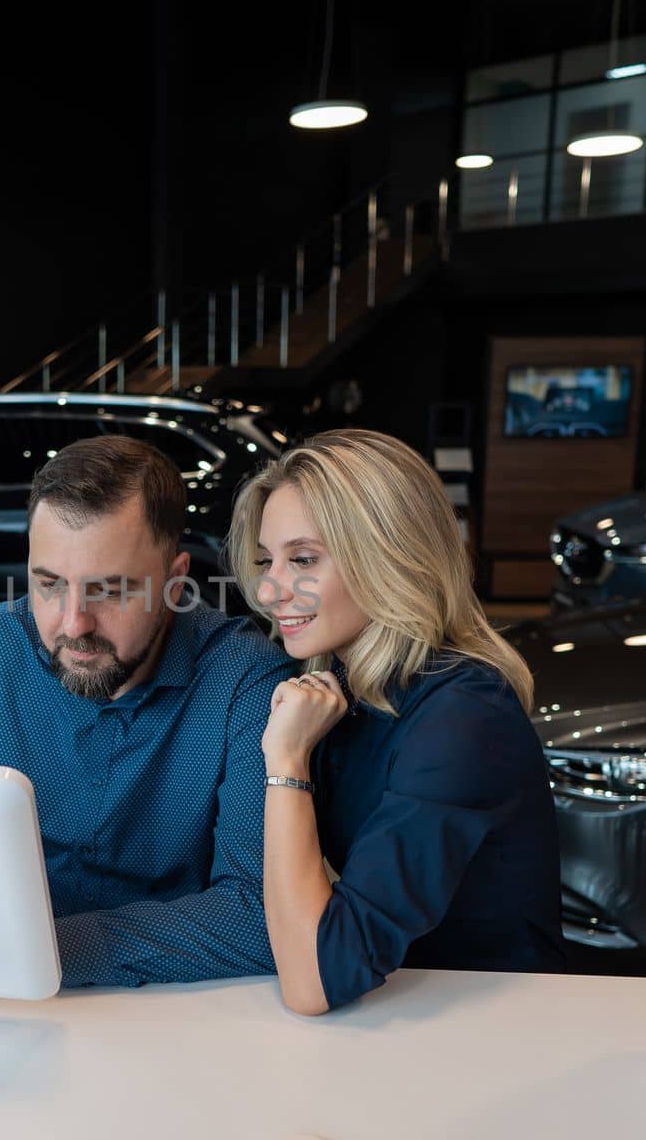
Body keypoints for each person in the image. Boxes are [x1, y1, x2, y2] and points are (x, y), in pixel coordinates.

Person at [0, 435, 294, 988]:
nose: (73, 624)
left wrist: (40, 945)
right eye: (49, 586)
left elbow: (259, 915)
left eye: (108, 591)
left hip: (182, 1016)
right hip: (2, 1000)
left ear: (175, 579)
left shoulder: (244, 681)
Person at [226, 429, 564, 1016]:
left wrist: (285, 763)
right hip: (397, 1023)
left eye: (303, 559)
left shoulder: (463, 715)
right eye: (267, 560)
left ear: (387, 555)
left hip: (495, 1037)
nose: (269, 588)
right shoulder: (344, 688)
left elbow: (315, 982)